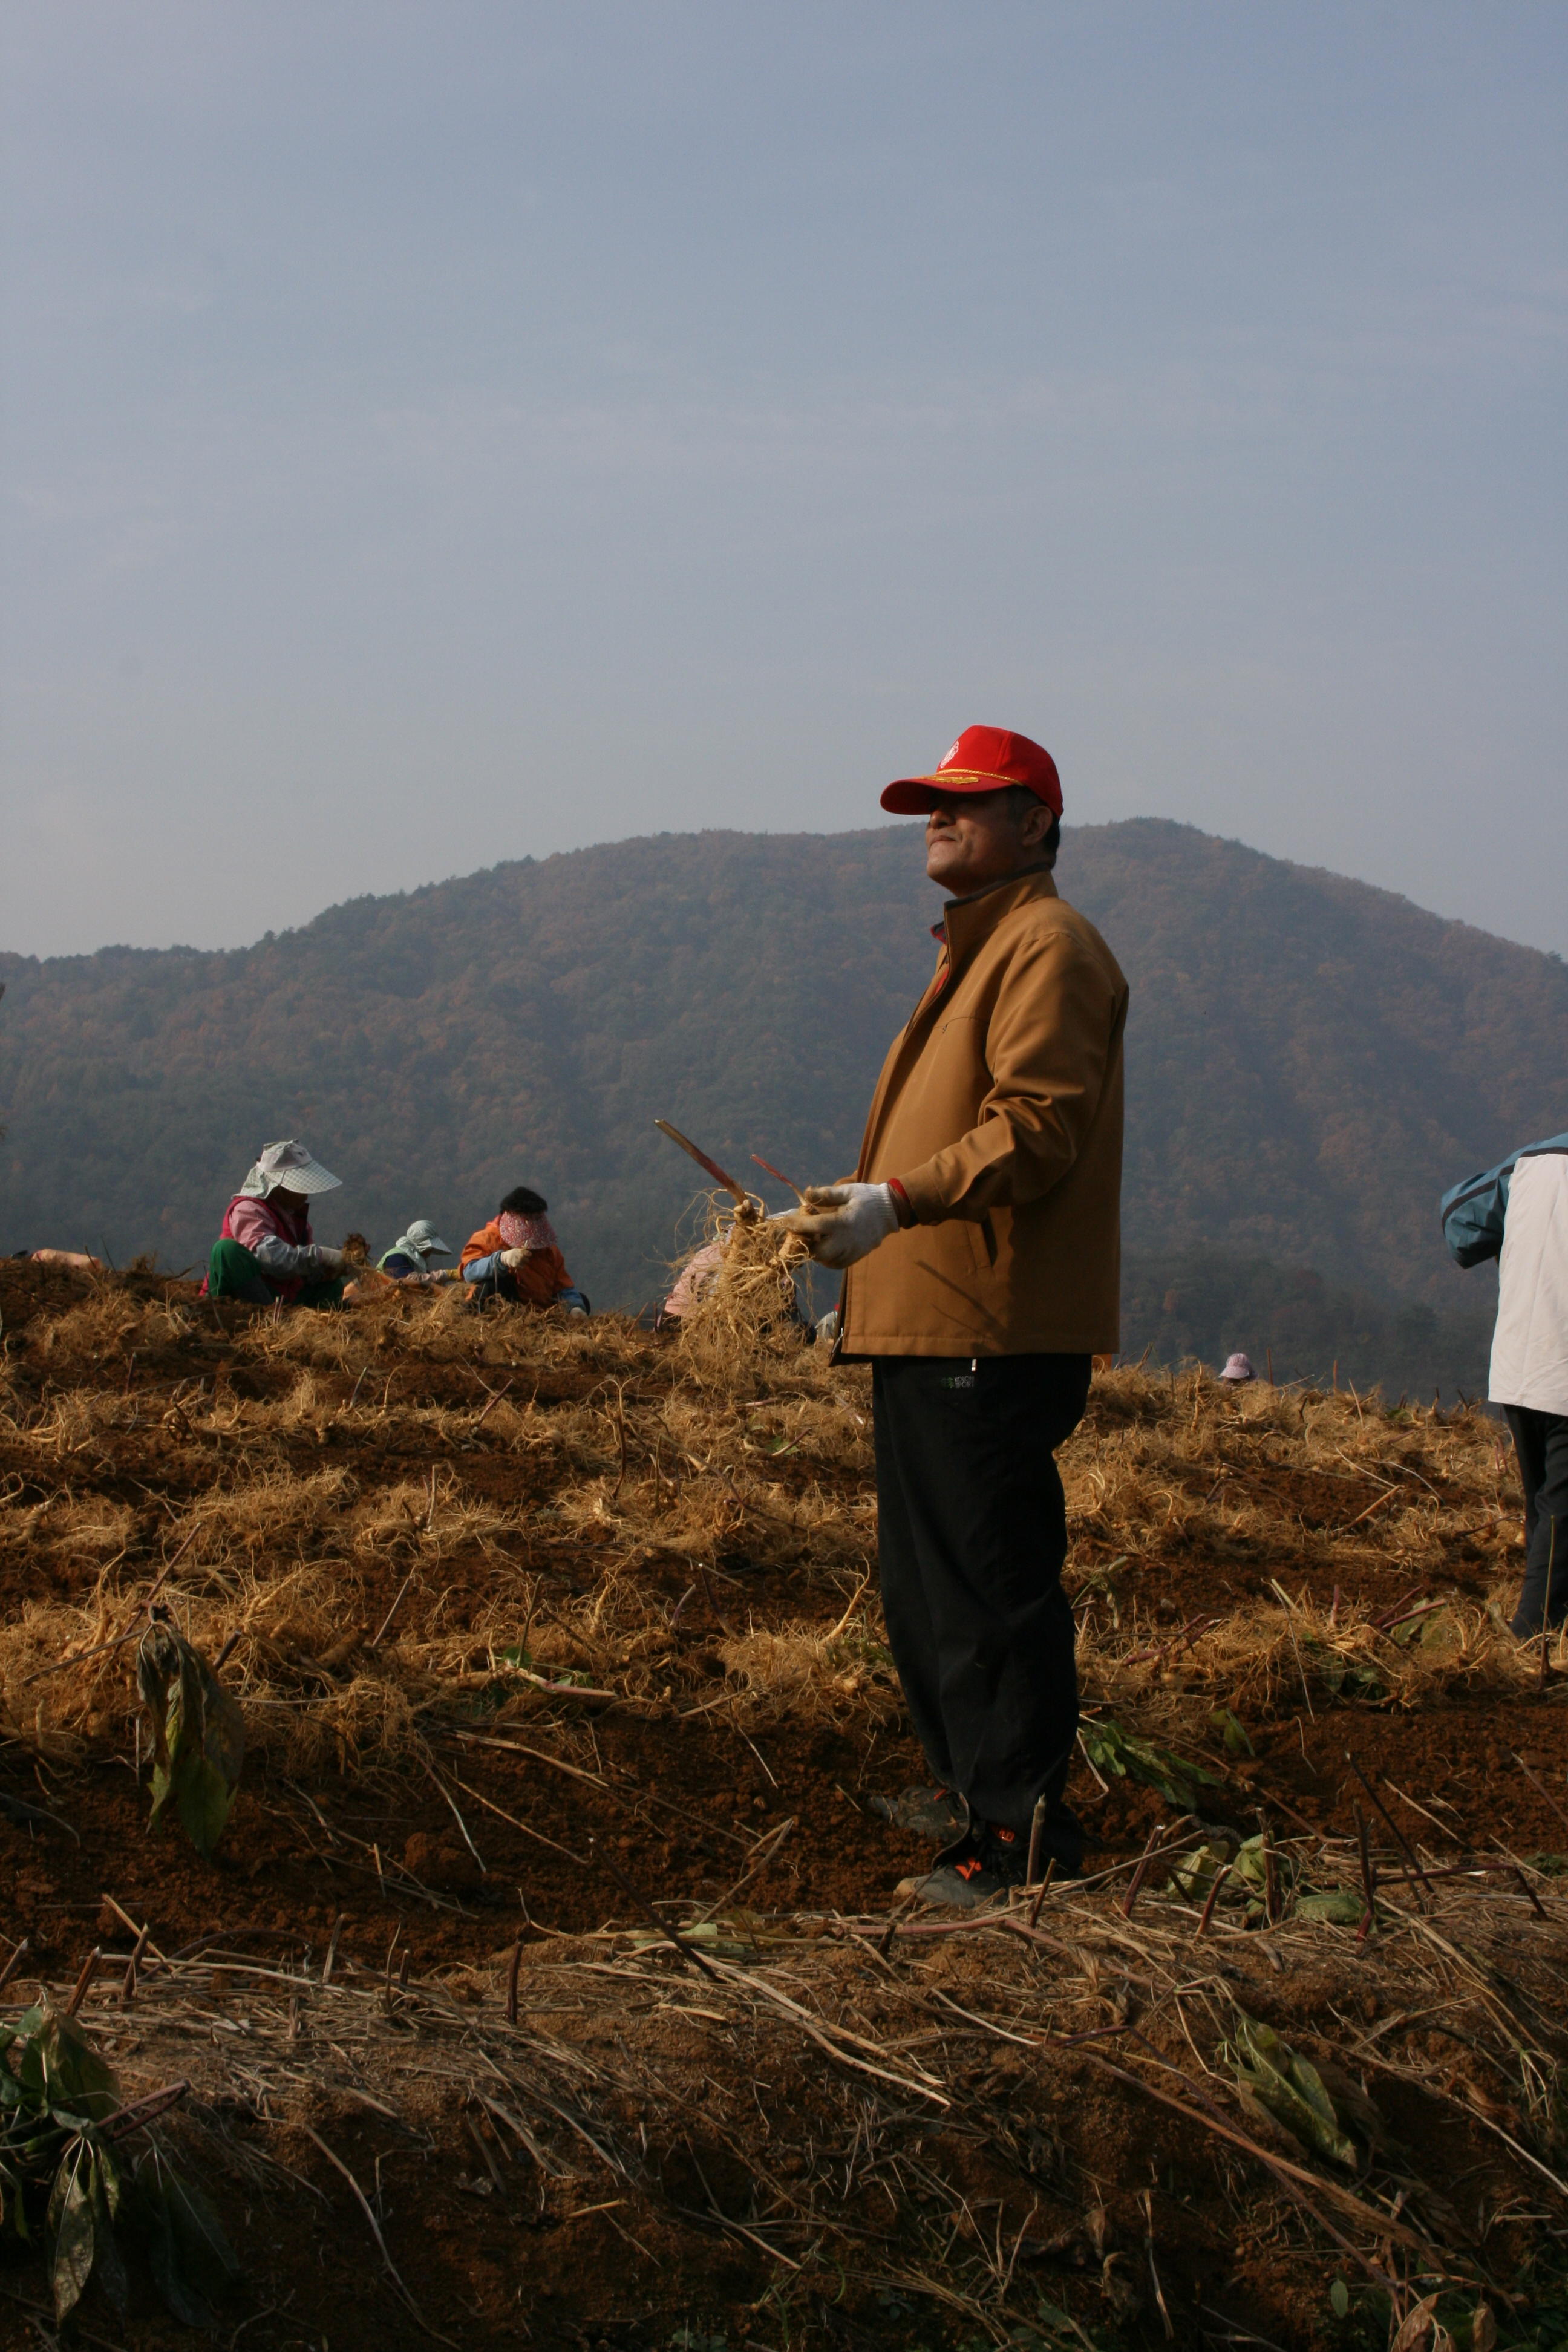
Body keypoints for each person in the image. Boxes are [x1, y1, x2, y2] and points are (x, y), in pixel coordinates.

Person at [783, 726, 1128, 1906]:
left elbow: (1037, 1127)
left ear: (1036, 822)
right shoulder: (978, 951)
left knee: (987, 1590)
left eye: (967, 801)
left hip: (989, 1323)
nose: (938, 816)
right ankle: (968, 1789)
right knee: (926, 1588)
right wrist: (864, 1212)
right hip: (928, 1319)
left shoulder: (1046, 947)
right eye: (931, 800)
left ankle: (1019, 1843)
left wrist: (896, 1199)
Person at [1442, 1129, 1568, 1636]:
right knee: (1560, 1518)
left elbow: (1458, 1225)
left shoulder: (1533, 1162)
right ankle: (1531, 1639)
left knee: (1545, 1510)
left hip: (1520, 1364)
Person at [203, 1140, 348, 1307]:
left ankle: (292, 1316)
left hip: (280, 1294)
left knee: (331, 1287)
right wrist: (321, 1256)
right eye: (298, 1188)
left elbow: (301, 1268)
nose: (305, 1195)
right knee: (227, 1250)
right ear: (278, 1187)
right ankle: (266, 1315)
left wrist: (330, 1268)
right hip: (246, 1295)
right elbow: (271, 1258)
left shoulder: (295, 1220)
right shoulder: (248, 1210)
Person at [460, 1186, 589, 1313]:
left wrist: (575, 1307)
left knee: (581, 1301)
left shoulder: (549, 1250)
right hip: (506, 1307)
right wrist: (502, 1260)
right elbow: (470, 1272)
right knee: (493, 1285)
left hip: (540, 1311)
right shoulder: (487, 1239)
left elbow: (563, 1286)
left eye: (537, 1219)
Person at [377, 1220, 454, 1281]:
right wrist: (448, 1274)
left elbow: (428, 1278)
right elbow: (413, 1280)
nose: (431, 1252)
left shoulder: (414, 1262)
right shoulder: (396, 1258)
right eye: (430, 1248)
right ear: (421, 1245)